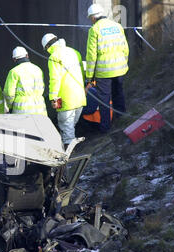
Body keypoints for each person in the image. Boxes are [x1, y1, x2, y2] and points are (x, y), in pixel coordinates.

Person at [85, 3, 129, 133]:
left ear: (93, 17)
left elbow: (91, 55)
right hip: (120, 68)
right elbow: (125, 48)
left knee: (104, 100)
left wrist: (89, 76)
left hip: (104, 72)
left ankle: (105, 129)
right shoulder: (117, 26)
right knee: (118, 94)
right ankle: (122, 122)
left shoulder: (94, 29)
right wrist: (124, 63)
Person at [42, 33, 86, 147]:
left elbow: (55, 79)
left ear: (47, 47)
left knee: (66, 126)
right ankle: (69, 146)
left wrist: (53, 98)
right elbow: (82, 72)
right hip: (80, 96)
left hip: (66, 98)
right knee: (70, 125)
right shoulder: (74, 51)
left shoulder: (54, 57)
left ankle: (68, 153)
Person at [3, 46, 47, 116]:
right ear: (27, 55)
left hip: (22, 110)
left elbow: (9, 93)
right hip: (40, 108)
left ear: (14, 59)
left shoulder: (14, 72)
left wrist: (9, 106)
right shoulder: (38, 69)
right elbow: (42, 87)